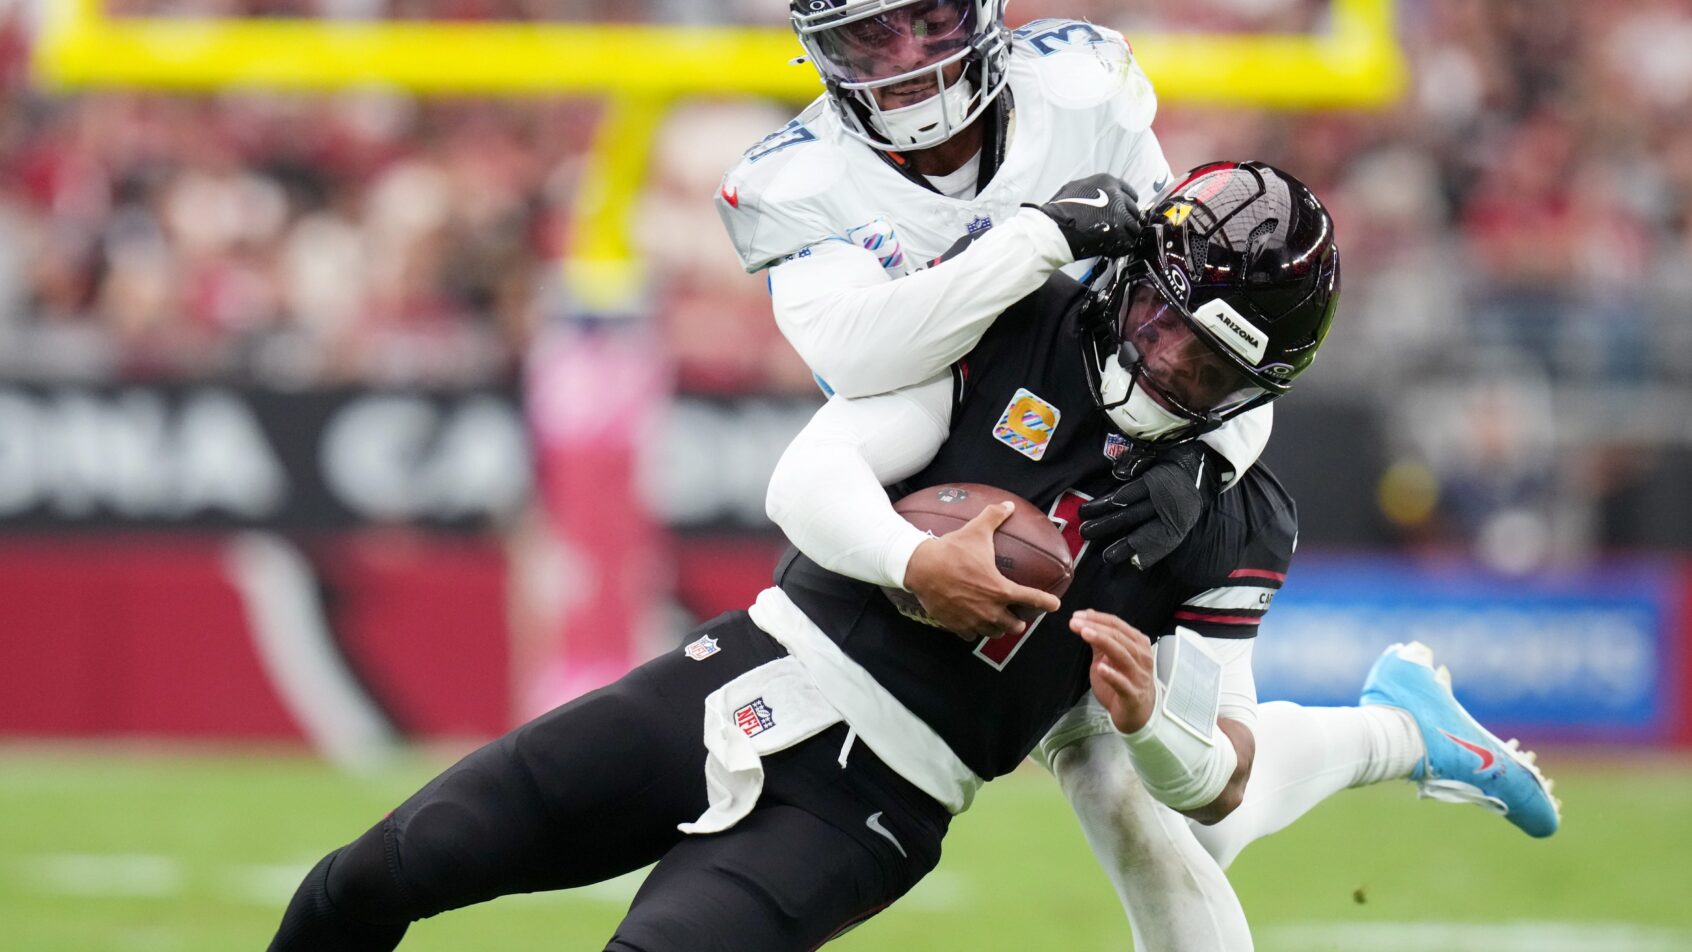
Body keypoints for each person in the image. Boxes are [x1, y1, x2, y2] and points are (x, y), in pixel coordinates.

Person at [267, 161, 1332, 952]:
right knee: (376, 871)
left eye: (1203, 362)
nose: (1160, 358)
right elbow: (808, 483)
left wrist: (1146, 725)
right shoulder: (1016, 320)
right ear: (1129, 274)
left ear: (1258, 388)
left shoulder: (1235, 518)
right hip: (743, 670)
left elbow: (1215, 781)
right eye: (1158, 315)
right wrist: (916, 565)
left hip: (879, 796)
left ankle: (1401, 734)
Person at [720, 3, 1561, 946]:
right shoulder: (795, 178)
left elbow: (1206, 318)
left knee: (1191, 798)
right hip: (982, 457)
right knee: (1185, 805)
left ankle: (1403, 732)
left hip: (1134, 460)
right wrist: (1034, 238)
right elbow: (866, 360)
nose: (909, 59)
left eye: (927, 19)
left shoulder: (1075, 93)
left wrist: (1203, 464)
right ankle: (1403, 732)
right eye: (874, 32)